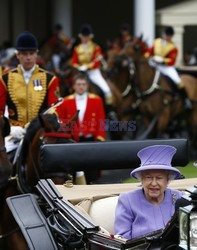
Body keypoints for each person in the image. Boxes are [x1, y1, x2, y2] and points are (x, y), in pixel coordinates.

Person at [0, 31, 60, 153]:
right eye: (24, 54)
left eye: (31, 53)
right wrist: (10, 129)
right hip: (14, 134)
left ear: (36, 54)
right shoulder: (5, 79)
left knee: (62, 161)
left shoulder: (50, 79)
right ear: (17, 55)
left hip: (41, 133)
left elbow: (54, 111)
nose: (28, 57)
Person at [114, 145, 183, 240]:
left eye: (159, 178)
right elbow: (122, 239)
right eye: (148, 177)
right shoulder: (127, 200)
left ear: (167, 180)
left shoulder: (179, 198)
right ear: (141, 180)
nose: (154, 183)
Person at [55, 73, 106, 183]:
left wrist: (100, 138)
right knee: (73, 170)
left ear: (87, 86)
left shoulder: (96, 100)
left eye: (83, 84)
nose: (81, 87)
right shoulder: (66, 101)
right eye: (78, 84)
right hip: (73, 141)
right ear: (73, 86)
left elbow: (101, 120)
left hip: (90, 140)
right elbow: (61, 122)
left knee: (91, 170)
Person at [71, 24, 115, 119]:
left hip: (93, 72)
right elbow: (74, 62)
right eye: (83, 36)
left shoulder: (96, 47)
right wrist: (79, 67)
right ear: (81, 36)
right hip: (80, 72)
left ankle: (110, 112)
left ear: (90, 37)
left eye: (86, 36)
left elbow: (97, 62)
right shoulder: (77, 48)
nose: (85, 38)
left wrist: (88, 66)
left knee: (106, 90)